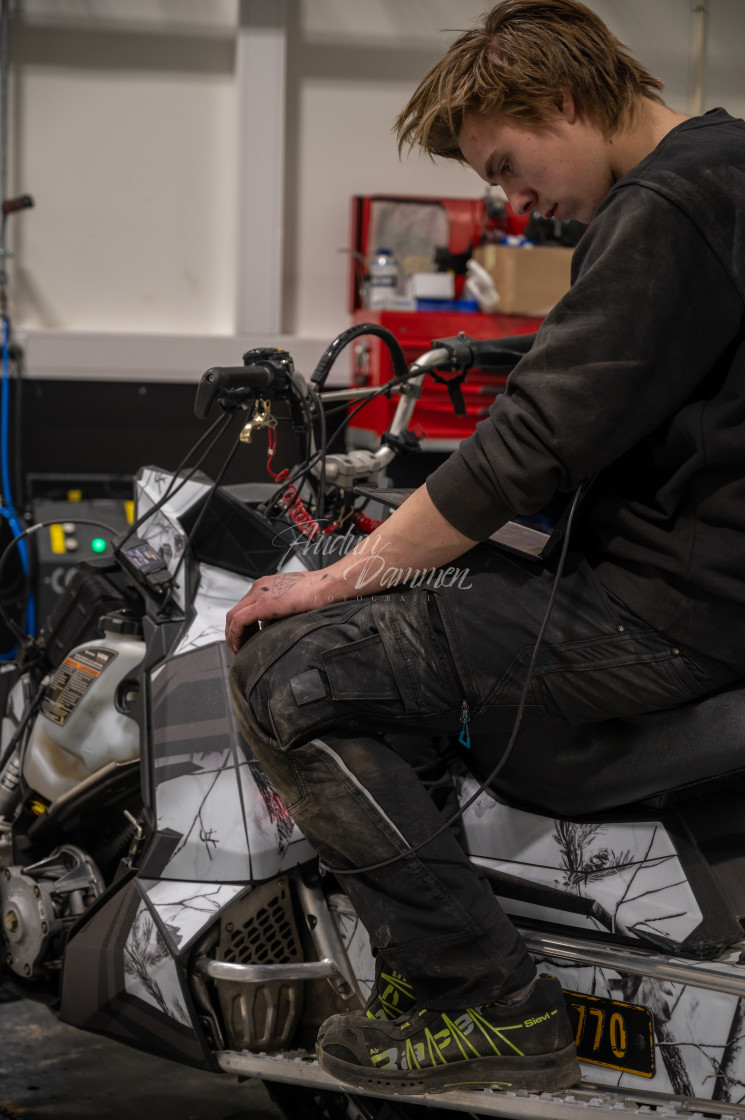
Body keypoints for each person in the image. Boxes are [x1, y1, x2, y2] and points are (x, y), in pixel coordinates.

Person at [227, 0, 745, 1097]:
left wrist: (342, 572)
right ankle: (434, 958)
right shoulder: (719, 172)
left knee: (291, 668)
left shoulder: (673, 200)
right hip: (690, 580)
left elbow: (535, 442)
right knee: (419, 610)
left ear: (562, 100)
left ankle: (482, 995)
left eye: (509, 167)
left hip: (671, 610)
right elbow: (624, 373)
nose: (515, 204)